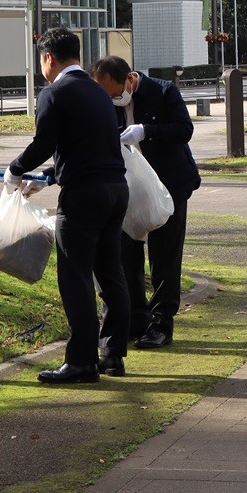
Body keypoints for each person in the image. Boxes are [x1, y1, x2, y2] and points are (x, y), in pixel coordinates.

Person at [6, 28, 130, 383]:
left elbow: (45, 141)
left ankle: (80, 362)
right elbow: (85, 146)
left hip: (83, 197)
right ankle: (113, 355)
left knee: (75, 277)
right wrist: (46, 176)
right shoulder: (98, 92)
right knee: (110, 273)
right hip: (115, 189)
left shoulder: (54, 92)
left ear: (49, 58)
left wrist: (15, 171)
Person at [90, 55, 200, 349]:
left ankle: (162, 322)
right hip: (126, 188)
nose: (113, 98)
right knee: (126, 256)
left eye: (115, 92)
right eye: (106, 94)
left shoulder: (163, 91)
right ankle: (135, 320)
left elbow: (183, 130)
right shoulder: (104, 103)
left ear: (129, 79)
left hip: (168, 186)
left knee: (165, 256)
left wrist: (145, 131)